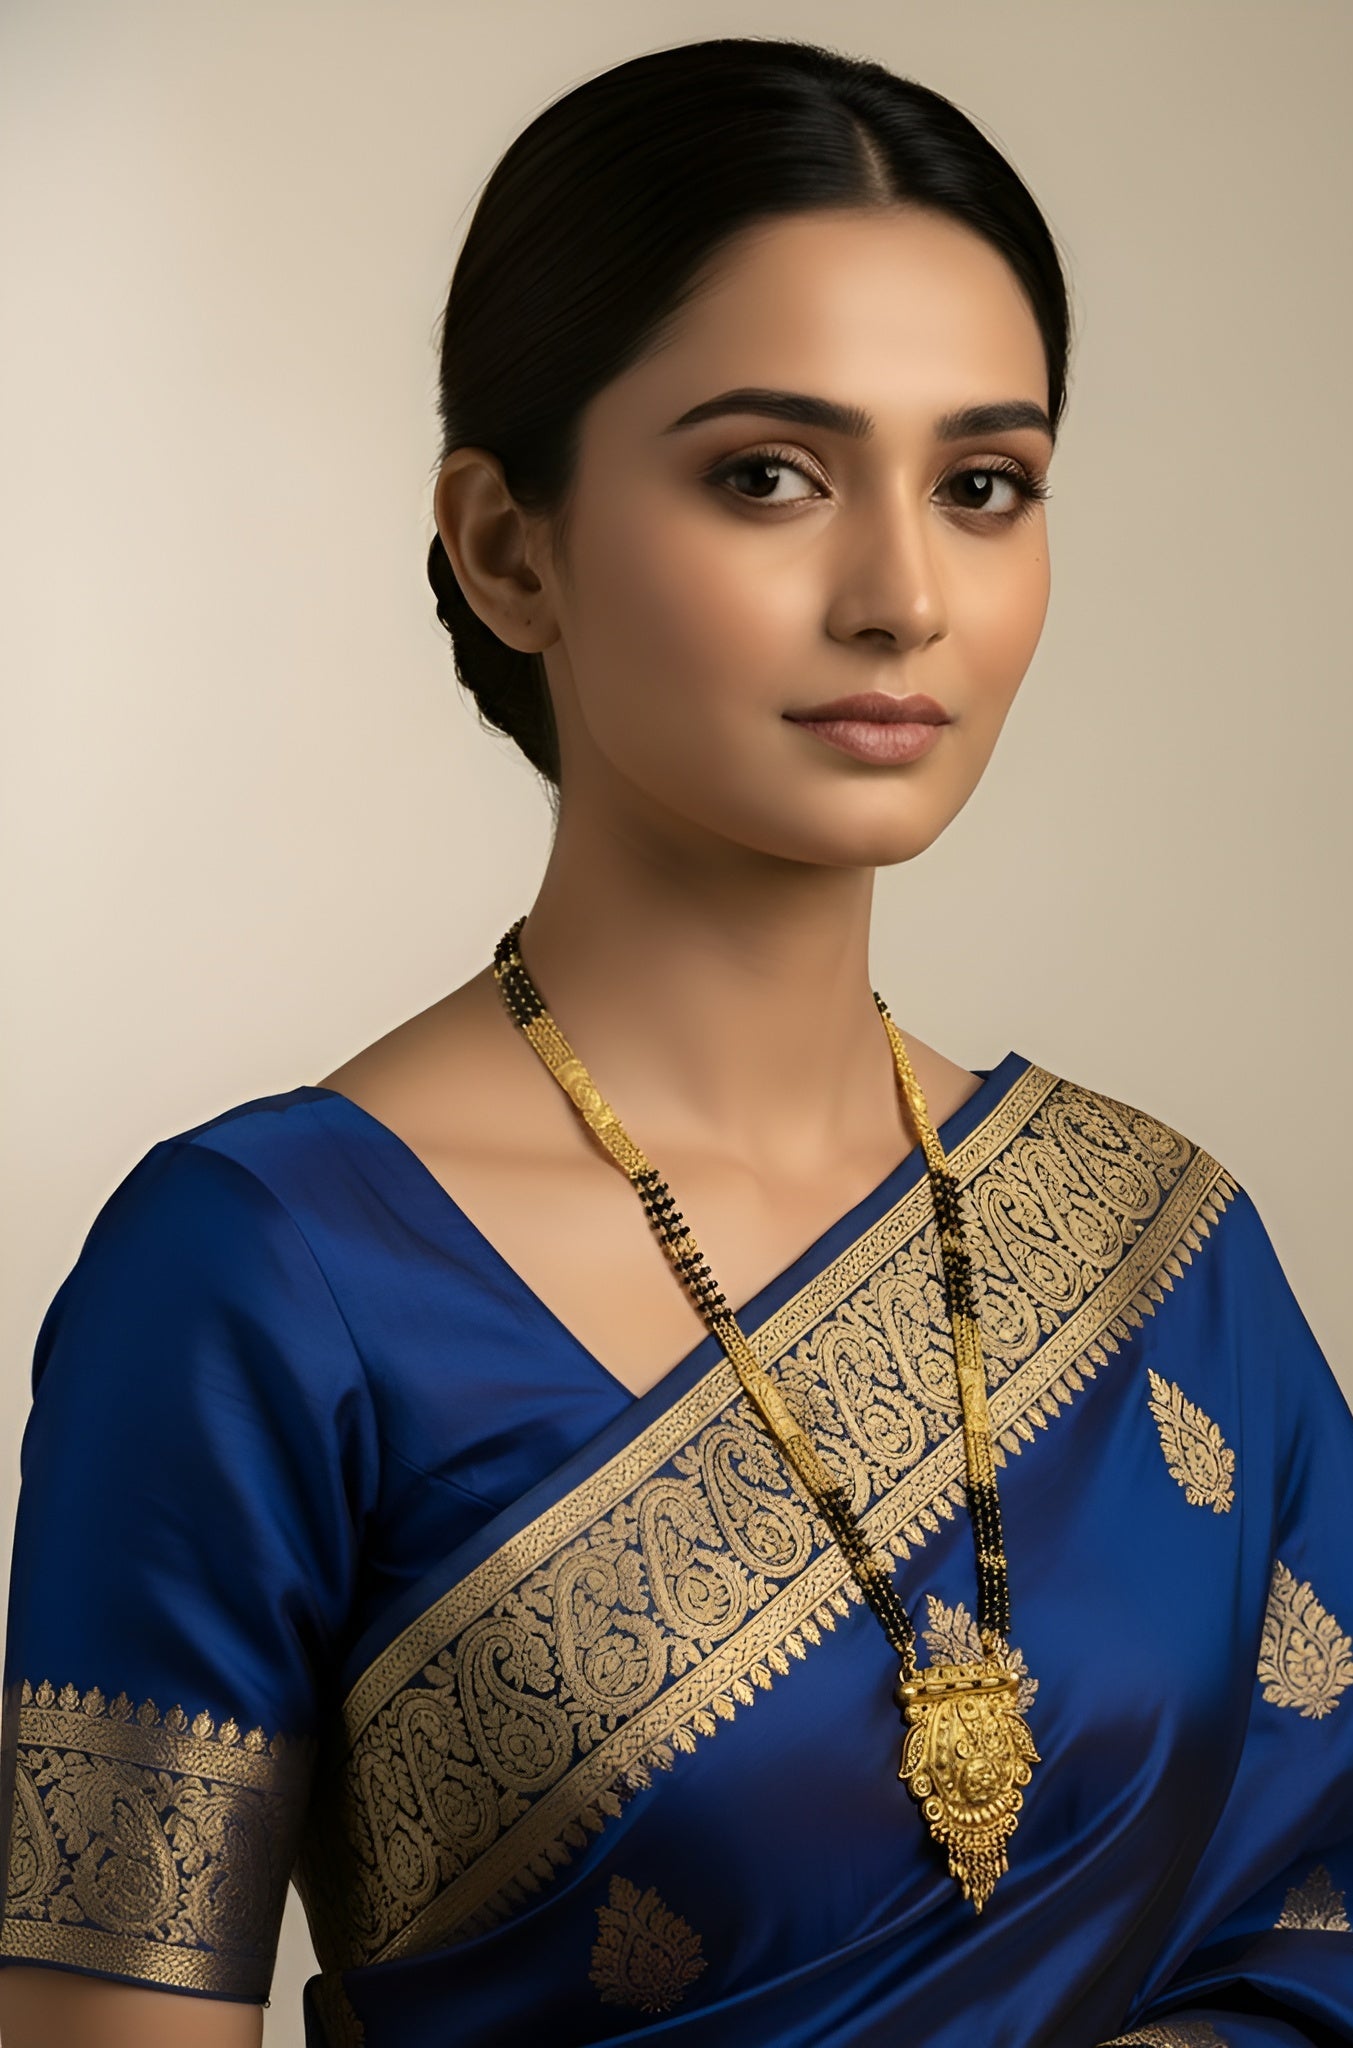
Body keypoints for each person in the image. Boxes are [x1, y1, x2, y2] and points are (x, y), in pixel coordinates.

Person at [1, 33, 1349, 2048]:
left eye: (982, 486)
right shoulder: (254, 1278)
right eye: (766, 477)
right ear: (505, 545)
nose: (901, 595)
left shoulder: (1166, 1255)